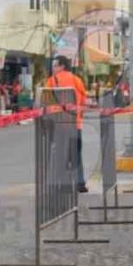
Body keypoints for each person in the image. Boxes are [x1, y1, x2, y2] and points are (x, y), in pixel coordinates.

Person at [46, 55, 88, 193]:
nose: (53, 68)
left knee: (60, 155)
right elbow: (83, 100)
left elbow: (46, 101)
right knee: (76, 155)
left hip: (59, 124)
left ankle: (62, 184)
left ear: (62, 66)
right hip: (75, 124)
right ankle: (80, 183)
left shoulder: (52, 81)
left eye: (55, 65)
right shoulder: (76, 80)